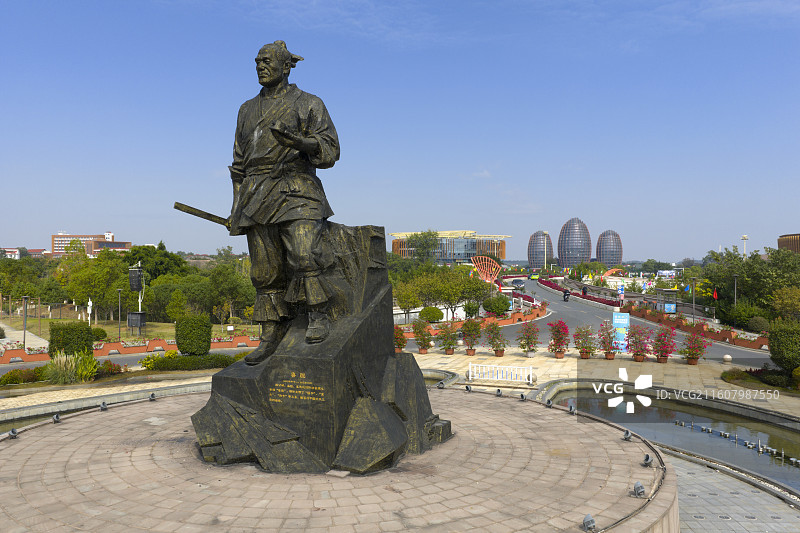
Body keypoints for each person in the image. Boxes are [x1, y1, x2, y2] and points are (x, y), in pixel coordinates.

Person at [227, 41, 340, 365]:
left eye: (267, 61)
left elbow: (330, 150)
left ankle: (318, 315)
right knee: (265, 271)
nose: (261, 66)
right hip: (256, 193)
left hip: (297, 187)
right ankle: (269, 333)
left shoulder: (309, 103)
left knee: (305, 254)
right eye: (257, 62)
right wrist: (237, 208)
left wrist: (300, 143)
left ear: (287, 66)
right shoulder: (246, 110)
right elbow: (238, 164)